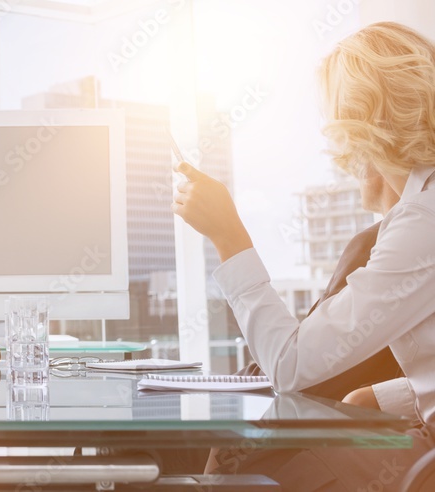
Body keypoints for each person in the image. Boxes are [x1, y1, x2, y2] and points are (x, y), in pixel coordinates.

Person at [174, 21, 435, 489]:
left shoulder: (421, 220)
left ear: (360, 123)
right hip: (417, 432)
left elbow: (290, 368)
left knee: (255, 457)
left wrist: (228, 236)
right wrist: (389, 396)